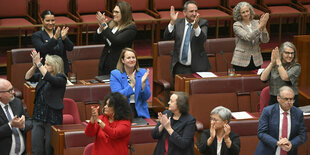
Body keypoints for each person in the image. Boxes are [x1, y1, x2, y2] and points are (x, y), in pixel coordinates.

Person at [25, 50, 67, 155]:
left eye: (47, 64)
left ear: (55, 66)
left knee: (50, 149)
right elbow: (27, 77)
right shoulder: (42, 76)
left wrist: (39, 64)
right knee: (36, 148)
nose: (44, 65)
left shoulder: (61, 78)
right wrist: (34, 66)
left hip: (52, 117)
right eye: (45, 64)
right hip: (38, 115)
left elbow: (50, 78)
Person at [164, 1, 210, 83]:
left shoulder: (203, 23)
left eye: (196, 11)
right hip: (179, 66)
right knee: (179, 92)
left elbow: (202, 39)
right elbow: (167, 37)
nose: (194, 13)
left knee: (194, 93)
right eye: (191, 11)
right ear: (184, 13)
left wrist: (196, 26)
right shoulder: (178, 23)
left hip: (197, 66)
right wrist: (172, 22)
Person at [255, 86, 307, 155]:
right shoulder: (268, 111)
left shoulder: (298, 113)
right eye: (286, 99)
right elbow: (261, 133)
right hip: (268, 151)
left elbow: (302, 135)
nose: (289, 102)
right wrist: (277, 143)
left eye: (291, 99)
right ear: (278, 98)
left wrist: (291, 143)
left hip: (289, 151)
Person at [94, 1, 137, 76]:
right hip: (105, 61)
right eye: (113, 12)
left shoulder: (131, 29)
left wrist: (104, 24)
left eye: (117, 12)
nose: (114, 14)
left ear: (124, 14)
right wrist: (101, 28)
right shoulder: (111, 24)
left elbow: (115, 41)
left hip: (119, 64)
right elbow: (96, 40)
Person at [110, 48, 151, 118]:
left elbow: (146, 97)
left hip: (140, 111)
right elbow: (117, 97)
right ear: (123, 60)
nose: (131, 60)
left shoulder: (142, 72)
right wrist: (132, 85)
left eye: (133, 57)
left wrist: (143, 84)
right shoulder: (115, 74)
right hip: (123, 110)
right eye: (128, 58)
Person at [32, 10, 74, 74]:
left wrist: (64, 38)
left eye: (52, 20)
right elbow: (43, 49)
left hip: (61, 70)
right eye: (47, 21)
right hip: (45, 71)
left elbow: (70, 48)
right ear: (42, 21)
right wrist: (54, 38)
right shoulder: (37, 35)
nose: (51, 23)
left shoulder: (59, 33)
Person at [231, 2, 269, 71]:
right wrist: (260, 26)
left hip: (256, 59)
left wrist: (263, 27)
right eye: (243, 12)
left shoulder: (256, 23)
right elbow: (248, 37)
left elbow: (265, 40)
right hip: (241, 61)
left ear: (250, 11)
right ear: (239, 14)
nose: (246, 14)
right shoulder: (237, 25)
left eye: (247, 11)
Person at [260, 42, 301, 106]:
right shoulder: (274, 66)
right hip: (274, 100)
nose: (290, 56)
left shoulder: (296, 66)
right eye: (287, 53)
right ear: (281, 53)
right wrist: (272, 63)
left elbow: (285, 77)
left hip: (289, 101)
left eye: (292, 53)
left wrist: (278, 62)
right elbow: (263, 78)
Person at [0, 79, 32, 155]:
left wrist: (22, 125)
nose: (13, 92)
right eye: (9, 91)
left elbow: (29, 121)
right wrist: (10, 125)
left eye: (12, 89)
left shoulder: (17, 102)